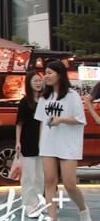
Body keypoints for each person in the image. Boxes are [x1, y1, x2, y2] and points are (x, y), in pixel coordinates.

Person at [34, 61, 91, 221]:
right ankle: (52, 217)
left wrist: (61, 120)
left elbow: (80, 119)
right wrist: (41, 144)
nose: (46, 76)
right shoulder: (45, 97)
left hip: (68, 143)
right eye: (45, 72)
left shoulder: (72, 96)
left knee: (69, 183)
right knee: (49, 181)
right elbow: (41, 122)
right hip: (48, 143)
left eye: (50, 72)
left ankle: (83, 209)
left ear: (60, 75)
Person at [15, 71, 44, 216]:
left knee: (40, 177)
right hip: (28, 143)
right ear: (29, 83)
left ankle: (38, 204)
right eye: (35, 81)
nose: (38, 83)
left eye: (40, 80)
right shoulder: (25, 102)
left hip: (43, 145)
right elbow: (19, 124)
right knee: (28, 177)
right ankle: (28, 205)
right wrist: (18, 142)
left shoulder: (45, 100)